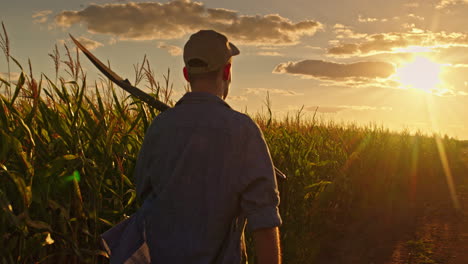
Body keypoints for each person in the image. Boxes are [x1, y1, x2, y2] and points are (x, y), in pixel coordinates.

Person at [102, 30, 282, 264]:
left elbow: (144, 195)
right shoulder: (244, 130)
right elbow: (264, 220)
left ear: (186, 74)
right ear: (227, 71)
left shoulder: (159, 127)